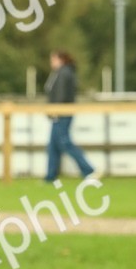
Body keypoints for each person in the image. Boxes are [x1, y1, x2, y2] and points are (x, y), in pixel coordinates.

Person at [44, 50, 94, 182]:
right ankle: (50, 176)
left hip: (62, 113)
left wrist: (56, 110)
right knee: (53, 146)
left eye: (53, 59)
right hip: (60, 112)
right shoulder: (63, 72)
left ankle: (88, 170)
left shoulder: (63, 73)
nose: (51, 62)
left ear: (60, 59)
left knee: (64, 143)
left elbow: (61, 93)